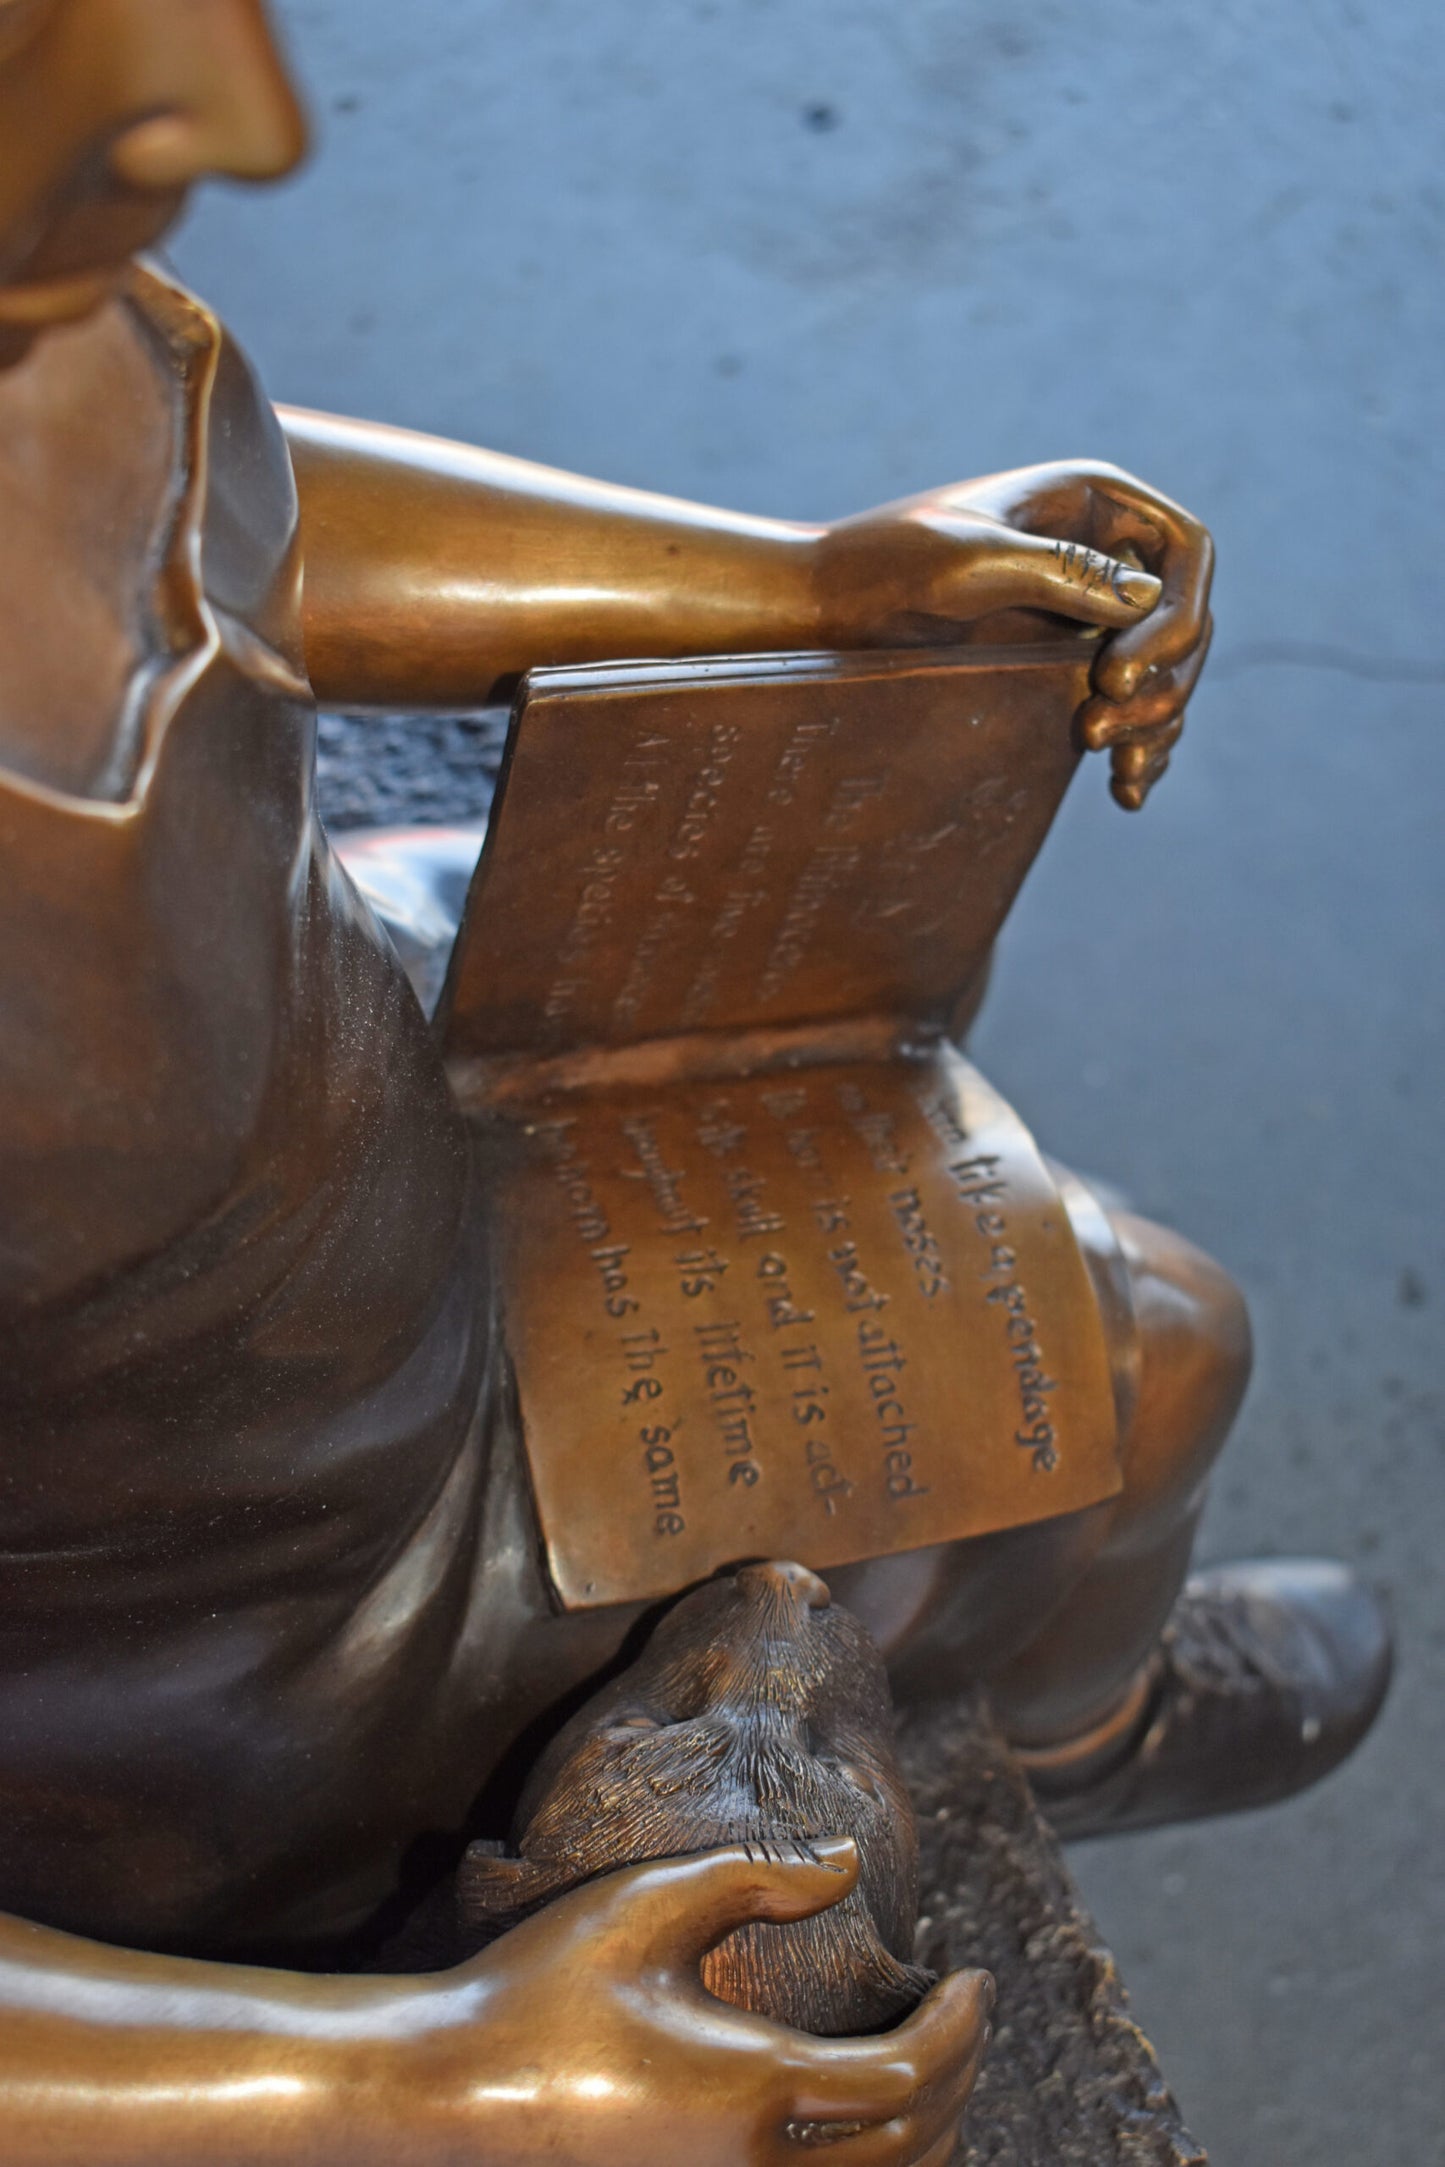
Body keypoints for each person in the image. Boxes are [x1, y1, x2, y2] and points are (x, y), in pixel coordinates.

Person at [0, 3, 1389, 2161]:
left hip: (389, 1169)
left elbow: (215, 490)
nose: (240, 119)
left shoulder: (42, 327)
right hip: (257, 1652)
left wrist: (800, 584)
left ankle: (1058, 1713)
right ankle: (1052, 1716)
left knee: (1077, 1294)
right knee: (1153, 1350)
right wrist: (414, 2077)